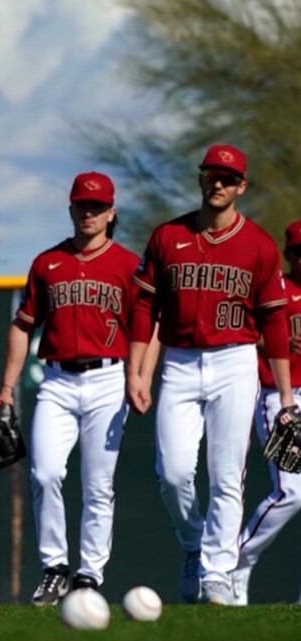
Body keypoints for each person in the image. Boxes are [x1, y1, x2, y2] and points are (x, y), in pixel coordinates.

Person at [126, 144, 295, 605]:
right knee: (174, 473)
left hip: (235, 362)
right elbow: (145, 305)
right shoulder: (167, 236)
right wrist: (136, 371)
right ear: (200, 180)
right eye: (210, 175)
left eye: (227, 177)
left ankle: (219, 569)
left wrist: (285, 396)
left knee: (226, 475)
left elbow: (275, 323)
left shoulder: (258, 245)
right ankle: (193, 543)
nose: (217, 183)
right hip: (179, 361)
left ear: (241, 186)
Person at [0, 172, 155, 605]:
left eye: (98, 206)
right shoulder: (47, 263)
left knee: (98, 484)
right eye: (82, 205)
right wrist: (7, 388)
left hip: (108, 379)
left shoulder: (128, 265)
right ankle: (54, 568)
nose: (89, 212)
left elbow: (149, 325)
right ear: (70, 209)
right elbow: (23, 325)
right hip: (58, 381)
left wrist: (139, 375)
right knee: (45, 473)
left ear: (111, 213)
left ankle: (90, 575)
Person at [231, 220, 301, 605]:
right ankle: (237, 561)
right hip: (281, 396)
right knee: (291, 492)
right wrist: (277, 337)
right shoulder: (278, 289)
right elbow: (243, 331)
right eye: (300, 251)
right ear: (289, 254)